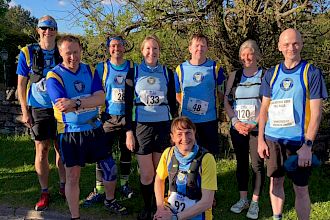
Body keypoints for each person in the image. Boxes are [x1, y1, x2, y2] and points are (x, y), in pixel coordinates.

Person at [46, 35, 127, 219]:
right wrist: (87, 101)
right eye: (68, 53)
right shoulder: (54, 76)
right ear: (60, 53)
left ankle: (110, 200)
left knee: (109, 167)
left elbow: (101, 98)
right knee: (73, 176)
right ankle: (75, 216)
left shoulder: (89, 70)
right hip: (70, 133)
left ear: (81, 50)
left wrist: (76, 102)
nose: (73, 57)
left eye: (76, 52)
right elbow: (61, 105)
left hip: (94, 128)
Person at [258, 28, 328, 220]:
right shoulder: (271, 74)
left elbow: (316, 114)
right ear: (280, 47)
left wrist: (308, 145)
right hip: (274, 139)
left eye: (295, 43)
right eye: (287, 44)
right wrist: (261, 140)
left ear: (302, 44)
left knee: (301, 189)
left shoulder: (311, 73)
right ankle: (277, 217)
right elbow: (264, 109)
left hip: (299, 142)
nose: (291, 48)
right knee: (276, 182)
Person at [16, 15, 66, 211]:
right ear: (38, 30)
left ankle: (64, 186)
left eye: (52, 27)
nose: (48, 31)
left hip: (60, 106)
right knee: (42, 149)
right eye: (44, 27)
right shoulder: (28, 52)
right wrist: (24, 110)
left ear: (56, 30)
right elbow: (21, 84)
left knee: (61, 147)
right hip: (38, 107)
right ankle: (45, 191)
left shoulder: (61, 50)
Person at [125, 34, 177, 220]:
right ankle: (148, 207)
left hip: (163, 125)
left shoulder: (167, 73)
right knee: (147, 174)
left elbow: (173, 103)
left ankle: (160, 207)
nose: (151, 52)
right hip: (142, 126)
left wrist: (174, 131)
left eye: (155, 48)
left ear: (159, 51)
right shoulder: (134, 72)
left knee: (160, 172)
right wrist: (129, 132)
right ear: (142, 51)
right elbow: (128, 105)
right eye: (148, 48)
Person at [83, 36, 135, 207]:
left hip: (128, 116)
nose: (116, 48)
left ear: (124, 47)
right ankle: (99, 189)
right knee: (102, 153)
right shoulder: (101, 68)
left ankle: (124, 184)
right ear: (108, 48)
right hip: (108, 116)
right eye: (113, 46)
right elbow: (93, 91)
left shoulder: (132, 67)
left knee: (126, 151)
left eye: (119, 45)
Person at [224, 40, 265, 219]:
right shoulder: (234, 75)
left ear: (257, 55)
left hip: (257, 128)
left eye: (250, 54)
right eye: (244, 54)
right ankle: (243, 199)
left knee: (257, 165)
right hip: (238, 127)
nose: (247, 58)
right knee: (241, 164)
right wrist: (234, 121)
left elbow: (267, 102)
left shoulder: (265, 75)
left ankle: (255, 202)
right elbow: (226, 100)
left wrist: (255, 123)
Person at [153, 116, 217, 220]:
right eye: (179, 134)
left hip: (198, 214)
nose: (185, 138)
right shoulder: (168, 153)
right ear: (172, 137)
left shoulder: (207, 159)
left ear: (194, 133)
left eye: (188, 133)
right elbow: (159, 180)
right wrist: (160, 208)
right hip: (171, 208)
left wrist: (176, 218)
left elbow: (207, 202)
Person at [174, 33, 226, 156]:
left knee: (209, 155)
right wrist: (191, 107)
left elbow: (221, 93)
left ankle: (208, 175)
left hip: (209, 120)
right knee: (189, 154)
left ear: (207, 48)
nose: (199, 49)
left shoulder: (215, 68)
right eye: (196, 45)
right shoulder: (180, 69)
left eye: (203, 46)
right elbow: (177, 94)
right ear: (190, 48)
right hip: (188, 121)